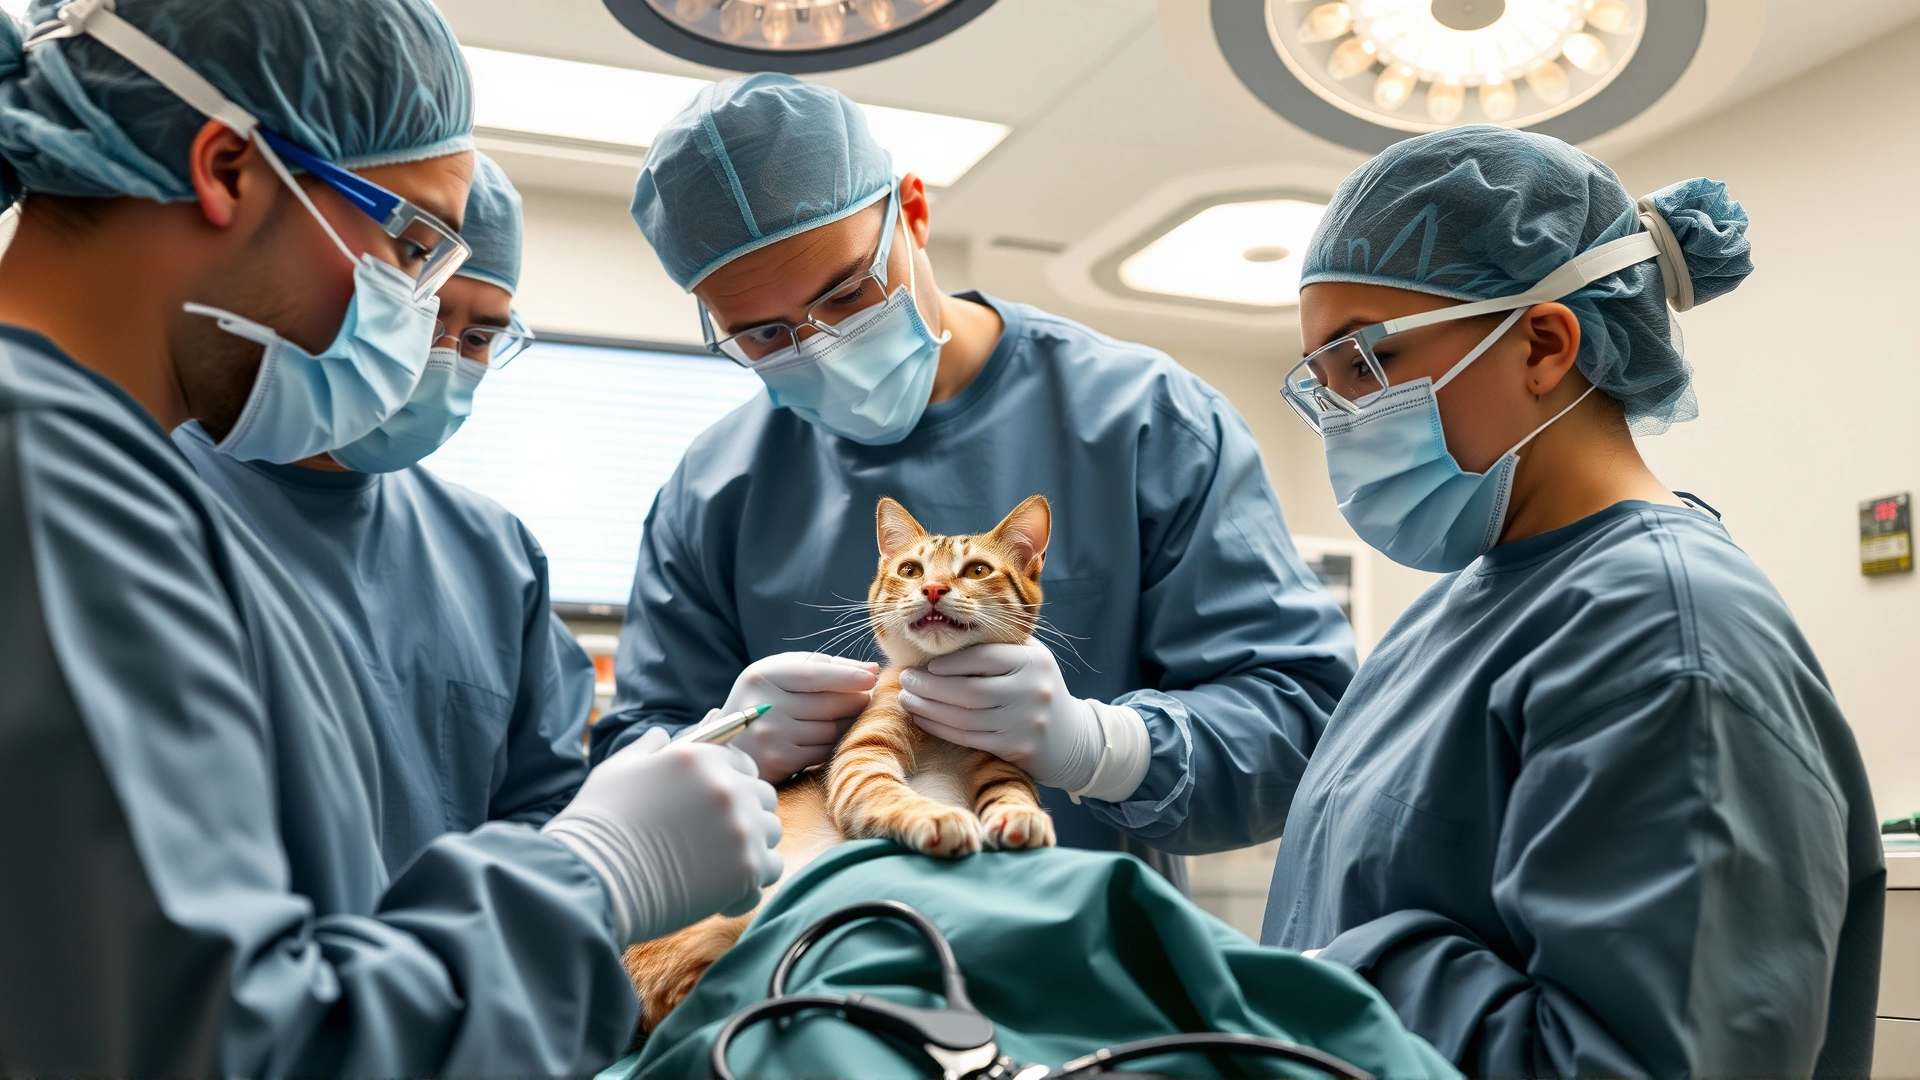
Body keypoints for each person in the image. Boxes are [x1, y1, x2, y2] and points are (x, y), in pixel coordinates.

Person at [0, 1, 781, 1073]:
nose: (414, 322)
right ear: (228, 167)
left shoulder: (98, 474)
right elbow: (229, 1046)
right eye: (410, 244)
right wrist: (595, 874)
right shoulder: (43, 469)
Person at [595, 73, 1358, 882]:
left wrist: (1106, 746)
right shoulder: (714, 487)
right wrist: (723, 747)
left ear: (914, 214)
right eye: (764, 335)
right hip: (802, 974)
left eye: (850, 293)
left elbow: (1305, 717)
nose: (820, 345)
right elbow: (631, 762)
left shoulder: (1143, 421)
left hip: (1075, 976)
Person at [1263, 125, 1883, 1077]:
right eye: (1323, 382)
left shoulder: (1667, 635)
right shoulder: (1461, 606)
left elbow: (1648, 1060)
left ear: (1545, 345)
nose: (1342, 413)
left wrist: (1322, 982)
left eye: (1366, 363)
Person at [175, 154, 589, 876]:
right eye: (422, 311)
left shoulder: (495, 555)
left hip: (448, 979)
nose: (443, 358)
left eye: (480, 338)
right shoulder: (147, 487)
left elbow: (544, 810)